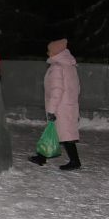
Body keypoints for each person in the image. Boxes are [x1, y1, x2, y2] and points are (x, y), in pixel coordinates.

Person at [28, 38, 82, 170]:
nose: (47, 53)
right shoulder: (70, 66)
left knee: (65, 135)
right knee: (56, 132)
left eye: (49, 50)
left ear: (56, 52)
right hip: (68, 105)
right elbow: (77, 88)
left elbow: (57, 90)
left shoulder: (57, 67)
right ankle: (41, 157)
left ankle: (75, 162)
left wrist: (51, 109)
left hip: (60, 107)